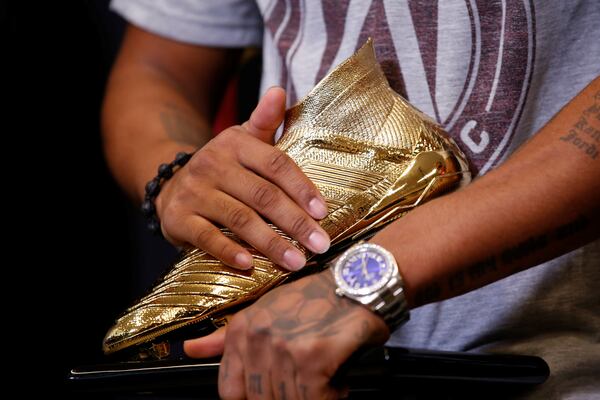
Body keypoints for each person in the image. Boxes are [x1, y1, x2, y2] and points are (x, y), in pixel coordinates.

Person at [103, 1, 600, 398]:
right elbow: (158, 67)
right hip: (275, 366)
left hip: (553, 369)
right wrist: (177, 178)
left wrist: (368, 280)